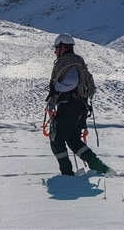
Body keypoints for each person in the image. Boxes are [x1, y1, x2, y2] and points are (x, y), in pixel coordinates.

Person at [46, 33, 111, 176]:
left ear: (63, 47)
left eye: (56, 48)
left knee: (56, 141)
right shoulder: (76, 62)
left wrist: (56, 87)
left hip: (69, 108)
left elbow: (71, 82)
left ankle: (67, 175)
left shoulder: (68, 62)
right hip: (79, 108)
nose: (55, 51)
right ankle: (100, 168)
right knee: (73, 140)